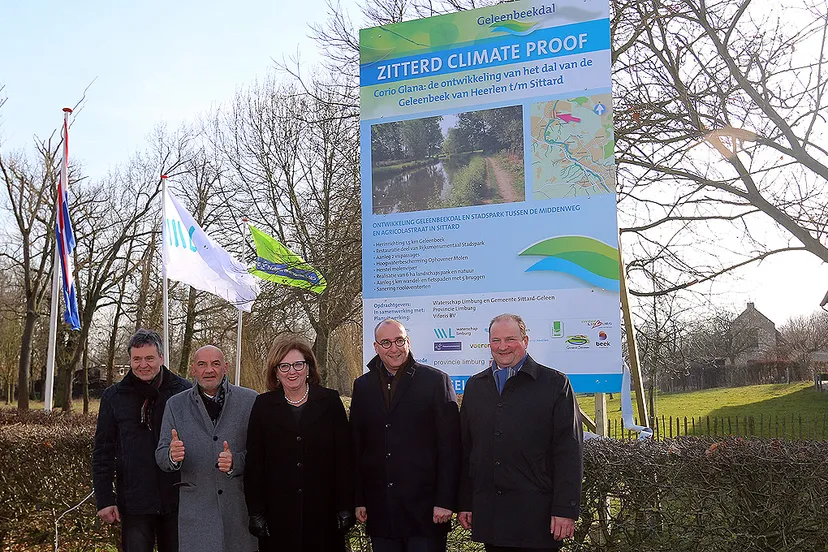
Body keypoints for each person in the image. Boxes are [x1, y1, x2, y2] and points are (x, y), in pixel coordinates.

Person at [458, 313, 584, 552]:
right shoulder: (475, 386)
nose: (502, 347)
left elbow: (568, 450)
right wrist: (465, 502)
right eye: (496, 340)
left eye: (510, 339)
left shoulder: (555, 384)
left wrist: (565, 509)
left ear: (525, 341)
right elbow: (467, 449)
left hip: (537, 517)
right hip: (491, 518)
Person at [350, 318, 461, 552]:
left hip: (426, 513)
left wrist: (445, 501)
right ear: (376, 347)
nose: (394, 348)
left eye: (399, 340)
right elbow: (357, 446)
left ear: (408, 342)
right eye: (387, 342)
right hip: (381, 511)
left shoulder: (435, 381)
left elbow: (450, 448)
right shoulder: (363, 386)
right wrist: (359, 499)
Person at [244, 334, 354, 551]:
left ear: (309, 368)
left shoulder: (330, 401)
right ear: (275, 372)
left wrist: (345, 506)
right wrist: (256, 512)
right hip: (278, 518)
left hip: (324, 514)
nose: (291, 372)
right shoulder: (263, 405)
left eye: (297, 364)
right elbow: (255, 464)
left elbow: (344, 458)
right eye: (284, 366)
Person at [92, 329, 191, 552]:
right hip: (135, 501)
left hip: (178, 500)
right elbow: (103, 451)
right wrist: (105, 498)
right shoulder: (114, 396)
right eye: (137, 359)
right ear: (130, 360)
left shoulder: (184, 392)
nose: (143, 364)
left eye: (149, 358)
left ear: (161, 358)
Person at [155, 345, 258, 552]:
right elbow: (161, 455)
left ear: (226, 367)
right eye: (202, 364)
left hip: (238, 513)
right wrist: (172, 456)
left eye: (215, 364)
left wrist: (235, 462)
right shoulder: (175, 405)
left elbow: (263, 455)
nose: (208, 370)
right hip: (196, 516)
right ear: (193, 369)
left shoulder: (250, 400)